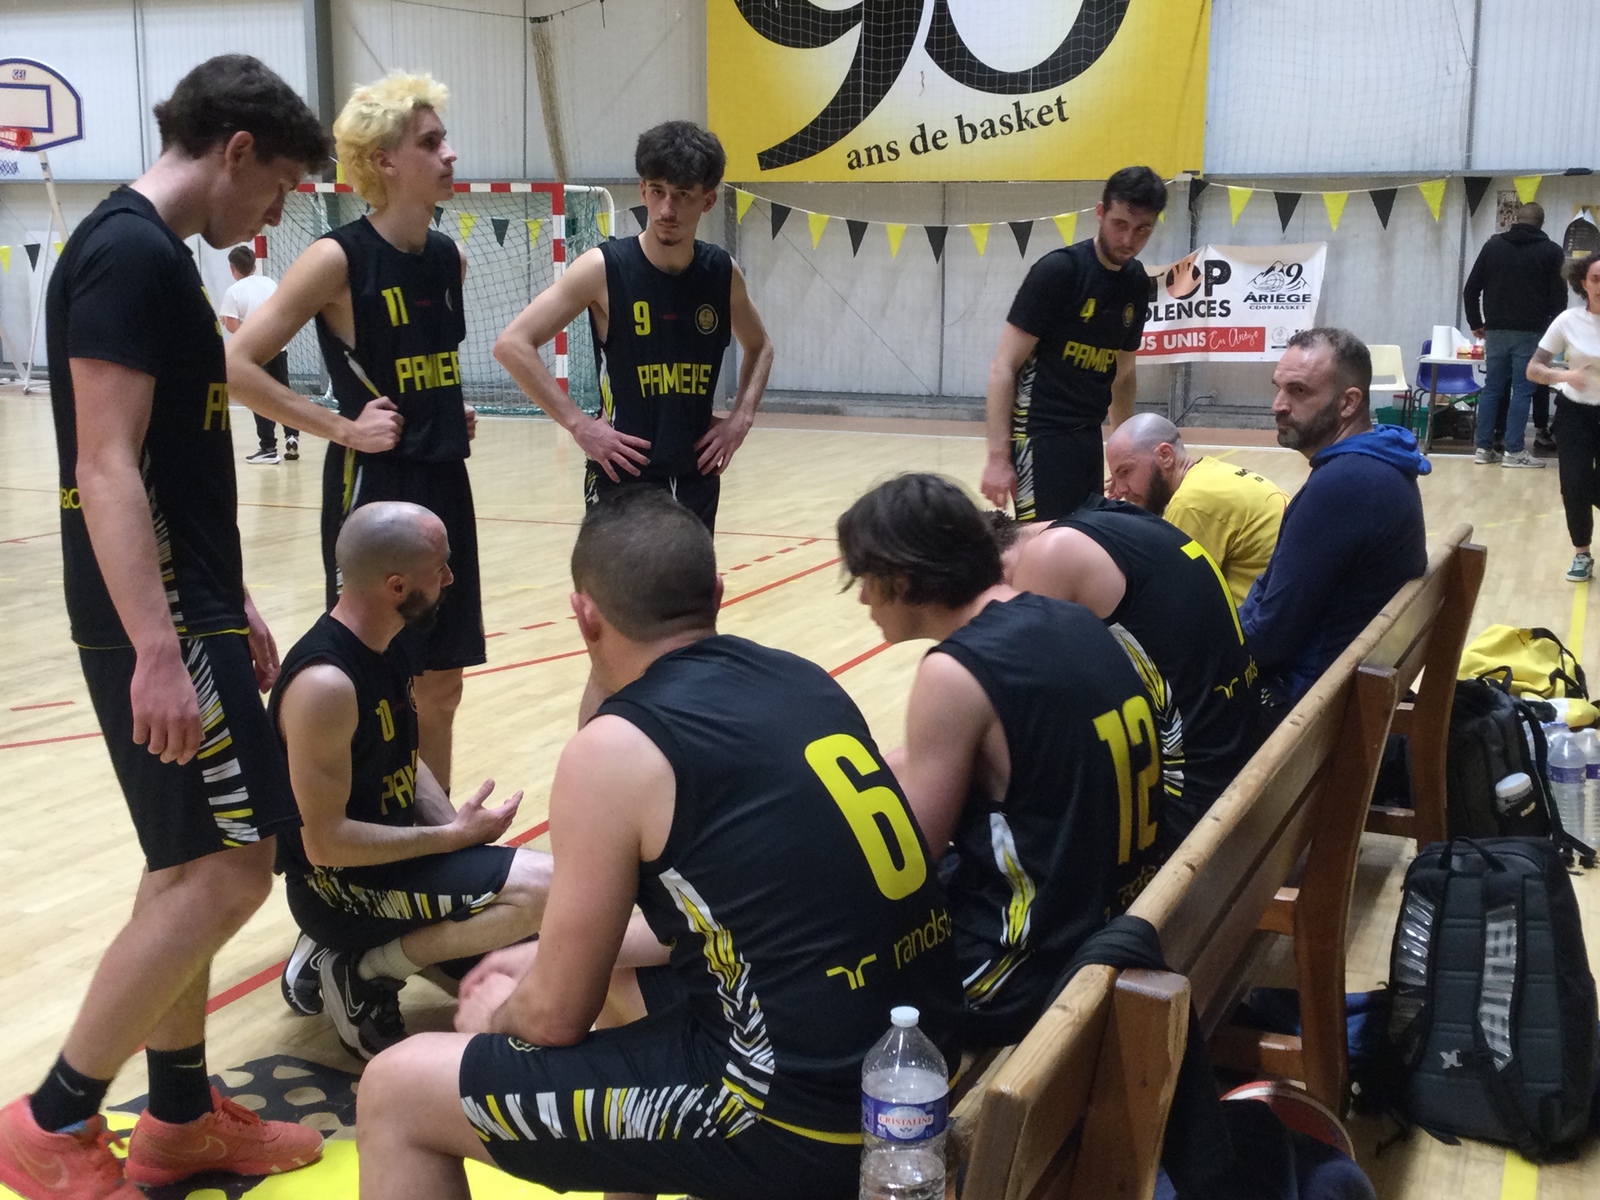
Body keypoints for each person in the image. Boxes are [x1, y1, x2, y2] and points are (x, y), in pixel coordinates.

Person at [353, 490, 959, 1200]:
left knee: (396, 1088)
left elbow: (551, 1019)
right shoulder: (801, 678)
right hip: (913, 1067)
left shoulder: (618, 750)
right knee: (617, 996)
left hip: (799, 1117)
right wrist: (538, 956)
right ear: (718, 594)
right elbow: (743, 919)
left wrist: (494, 1021)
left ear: (583, 615)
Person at [0, 56, 329, 1200]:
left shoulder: (153, 256)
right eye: (277, 184)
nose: (272, 215)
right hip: (157, 620)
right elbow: (102, 462)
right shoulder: (130, 253)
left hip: (191, 604)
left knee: (189, 862)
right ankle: (52, 1121)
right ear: (235, 150)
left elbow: (165, 463)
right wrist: (158, 645)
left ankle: (181, 1116)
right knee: (234, 870)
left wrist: (231, 599)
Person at [838, 474, 1164, 1048]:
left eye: (866, 579)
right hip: (1120, 913)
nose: (863, 599)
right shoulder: (1069, 617)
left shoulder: (954, 671)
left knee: (823, 976)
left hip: (1029, 966)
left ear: (905, 579)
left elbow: (908, 864)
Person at [228, 72, 481, 794]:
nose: (449, 154)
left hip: (444, 479)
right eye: (430, 142)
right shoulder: (336, 258)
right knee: (375, 677)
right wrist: (342, 427)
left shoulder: (449, 257)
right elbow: (234, 365)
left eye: (444, 140)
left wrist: (446, 408)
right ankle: (358, 826)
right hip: (375, 486)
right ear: (383, 161)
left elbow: (421, 365)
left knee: (443, 685)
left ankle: (440, 836)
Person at [270, 502, 549, 1060]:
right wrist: (449, 841)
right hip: (337, 889)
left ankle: (372, 954)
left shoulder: (384, 643)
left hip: (395, 866)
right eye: (439, 568)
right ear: (396, 586)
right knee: (546, 889)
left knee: (532, 967)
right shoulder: (325, 685)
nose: (450, 579)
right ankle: (364, 968)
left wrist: (458, 832)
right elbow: (323, 844)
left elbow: (403, 756)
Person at [493, 120, 774, 534]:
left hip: (697, 477)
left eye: (682, 195)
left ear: (708, 200)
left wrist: (741, 419)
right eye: (657, 191)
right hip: (622, 477)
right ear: (642, 191)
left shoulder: (721, 272)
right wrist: (579, 424)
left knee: (691, 580)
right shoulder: (602, 268)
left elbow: (760, 346)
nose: (666, 210)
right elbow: (513, 344)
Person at [1012, 497, 1261, 846]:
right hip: (1251, 753)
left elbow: (1038, 734)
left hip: (1193, 803)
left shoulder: (1048, 556)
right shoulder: (1116, 516)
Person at [1242, 328, 1429, 712]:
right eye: (1278, 388)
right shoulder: (1379, 461)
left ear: (1348, 403)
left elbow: (1268, 640)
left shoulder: (1344, 484)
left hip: (1308, 710)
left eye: (1298, 391)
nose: (1278, 405)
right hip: (1345, 690)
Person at [980, 166, 1167, 522]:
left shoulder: (1136, 283)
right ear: (1100, 213)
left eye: (1142, 229)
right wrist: (997, 459)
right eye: (1120, 224)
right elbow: (1003, 366)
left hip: (1087, 437)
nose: (1128, 239)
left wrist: (1124, 454)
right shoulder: (1059, 272)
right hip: (1039, 436)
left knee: (1086, 537)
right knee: (1042, 542)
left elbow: (1124, 375)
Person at [1104, 412, 1288, 604]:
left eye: (1125, 472)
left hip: (1261, 616)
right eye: (1115, 477)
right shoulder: (1210, 473)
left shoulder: (1190, 503)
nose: (1120, 490)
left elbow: (1171, 597)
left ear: (1165, 455)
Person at [1464, 201, 1566, 468]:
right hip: (1531, 333)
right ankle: (1514, 451)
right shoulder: (1552, 251)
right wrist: (1553, 336)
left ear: (1515, 220)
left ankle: (1483, 449)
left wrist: (1476, 323)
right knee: (1522, 390)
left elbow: (1471, 289)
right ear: (1541, 224)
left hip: (1495, 331)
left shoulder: (1492, 246)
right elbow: (1559, 300)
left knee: (1492, 389)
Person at [1529, 251, 1600, 581]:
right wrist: (1566, 376)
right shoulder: (1567, 321)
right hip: (1574, 413)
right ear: (1583, 283)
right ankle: (1581, 553)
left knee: (1590, 485)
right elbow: (1534, 369)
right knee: (1573, 484)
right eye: (1596, 279)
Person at [219, 244, 299, 463]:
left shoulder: (234, 291)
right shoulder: (270, 283)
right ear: (254, 265)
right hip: (278, 347)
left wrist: (227, 321)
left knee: (260, 397)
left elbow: (232, 326)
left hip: (254, 353)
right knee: (284, 392)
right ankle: (292, 436)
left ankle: (268, 448)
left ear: (232, 268)